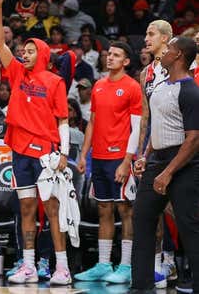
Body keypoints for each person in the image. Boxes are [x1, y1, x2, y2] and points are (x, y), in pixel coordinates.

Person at [0, 0, 72, 285]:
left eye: (29, 50)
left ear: (41, 53)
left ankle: (61, 267)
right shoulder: (15, 73)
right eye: (22, 50)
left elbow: (63, 120)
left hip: (47, 152)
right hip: (20, 149)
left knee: (52, 209)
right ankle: (27, 265)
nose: (23, 54)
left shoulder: (54, 81)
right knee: (26, 208)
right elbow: (0, 44)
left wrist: (64, 153)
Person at [132, 36, 199, 293]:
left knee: (189, 227)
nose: (165, 52)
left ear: (179, 55)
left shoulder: (191, 91)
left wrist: (169, 172)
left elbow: (193, 140)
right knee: (142, 220)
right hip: (157, 160)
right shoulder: (159, 86)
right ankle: (141, 287)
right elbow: (157, 127)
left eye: (169, 48)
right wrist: (145, 157)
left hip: (184, 164)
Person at [75, 42, 142, 284]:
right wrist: (84, 154)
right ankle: (103, 265)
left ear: (125, 61)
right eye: (108, 54)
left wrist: (127, 160)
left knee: (125, 211)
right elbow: (91, 122)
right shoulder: (99, 86)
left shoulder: (133, 87)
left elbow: (137, 127)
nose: (109, 58)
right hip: (99, 158)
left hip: (119, 157)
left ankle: (125, 266)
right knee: (103, 209)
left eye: (116, 55)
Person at [138, 19, 175, 285]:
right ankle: (159, 265)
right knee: (152, 211)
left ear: (166, 38)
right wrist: (142, 152)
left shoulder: (185, 66)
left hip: (184, 148)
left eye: (151, 34)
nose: (146, 39)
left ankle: (174, 261)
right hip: (157, 148)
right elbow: (147, 118)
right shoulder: (145, 74)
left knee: (183, 212)